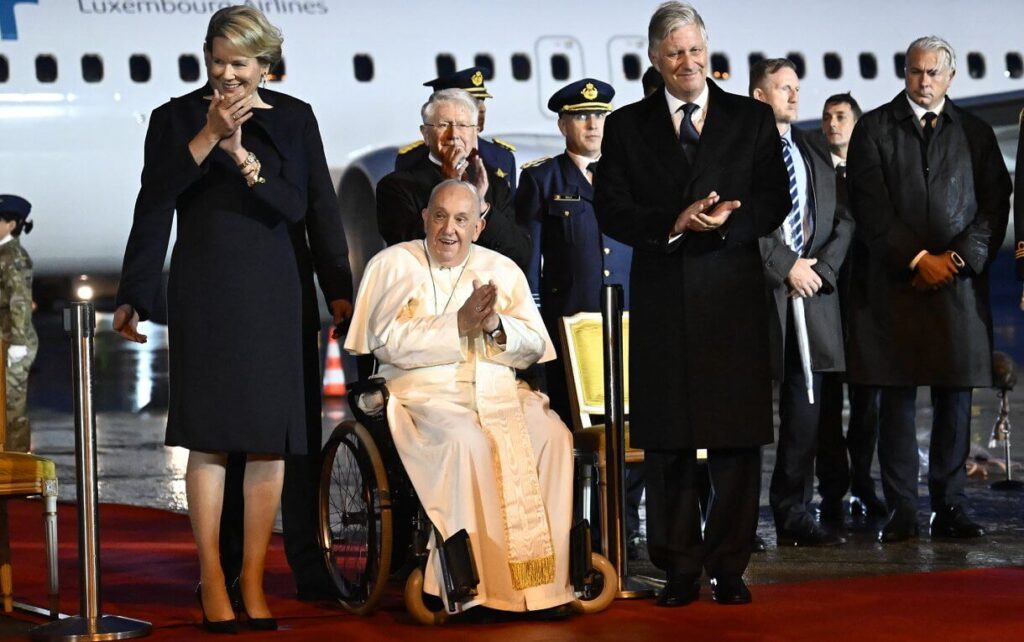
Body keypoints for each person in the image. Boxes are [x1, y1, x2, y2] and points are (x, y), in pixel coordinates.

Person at [113, 6, 352, 632]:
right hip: (208, 291)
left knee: (270, 440)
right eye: (215, 61)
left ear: (264, 66)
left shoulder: (295, 120)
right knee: (211, 436)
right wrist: (134, 292)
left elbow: (310, 207)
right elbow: (154, 203)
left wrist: (340, 292)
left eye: (238, 64)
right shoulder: (174, 119)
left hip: (277, 294)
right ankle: (213, 578)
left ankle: (252, 577)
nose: (225, 75)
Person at [594, 2, 790, 606]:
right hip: (665, 301)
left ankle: (730, 568)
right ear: (655, 58)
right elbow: (613, 208)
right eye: (675, 52)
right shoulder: (627, 127)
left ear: (709, 52)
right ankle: (679, 569)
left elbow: (774, 198)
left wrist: (727, 223)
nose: (688, 62)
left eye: (696, 50)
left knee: (735, 442)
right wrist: (672, 224)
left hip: (732, 298)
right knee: (669, 444)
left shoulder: (750, 119)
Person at [345, 179, 576, 616]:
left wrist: (494, 327)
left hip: (497, 387)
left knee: (553, 437)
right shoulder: (393, 264)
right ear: (425, 219)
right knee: (464, 441)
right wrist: (459, 324)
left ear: (479, 225)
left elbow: (532, 347)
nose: (448, 230)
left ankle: (544, 585)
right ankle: (469, 582)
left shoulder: (502, 269)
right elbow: (386, 343)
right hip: (422, 393)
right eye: (439, 216)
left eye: (461, 220)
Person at [846, 36, 1010, 543]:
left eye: (933, 73)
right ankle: (902, 510)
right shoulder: (873, 129)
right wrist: (918, 259)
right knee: (895, 405)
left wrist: (956, 260)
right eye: (916, 72)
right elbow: (870, 207)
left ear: (950, 77)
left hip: (955, 290)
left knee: (953, 403)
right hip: (894, 288)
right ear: (905, 73)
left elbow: (993, 206)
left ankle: (950, 505)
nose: (923, 81)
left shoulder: (976, 133)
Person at [516, 78, 646, 557]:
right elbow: (530, 264)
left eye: (600, 116)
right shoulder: (543, 179)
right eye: (582, 116)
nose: (593, 124)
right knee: (575, 432)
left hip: (628, 325)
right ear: (563, 123)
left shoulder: (630, 176)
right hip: (570, 330)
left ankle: (625, 522)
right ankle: (579, 525)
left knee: (633, 427)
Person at [750, 60, 852, 547]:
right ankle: (741, 519)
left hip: (814, 296)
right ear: (758, 96)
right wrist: (786, 264)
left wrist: (820, 270)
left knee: (805, 411)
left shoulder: (813, 149)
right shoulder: (743, 154)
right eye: (782, 88)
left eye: (796, 88)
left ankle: (793, 510)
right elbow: (746, 220)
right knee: (748, 417)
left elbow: (843, 219)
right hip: (762, 295)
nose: (793, 95)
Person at [813, 93, 888, 525]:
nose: (832, 124)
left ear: (857, 124)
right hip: (827, 301)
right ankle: (833, 489)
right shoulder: (817, 172)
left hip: (864, 304)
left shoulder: (870, 173)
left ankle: (863, 482)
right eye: (827, 118)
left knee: (867, 406)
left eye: (841, 117)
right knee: (825, 407)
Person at [377, 88, 531, 272]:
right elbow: (408, 249)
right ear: (425, 134)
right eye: (443, 125)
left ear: (475, 133)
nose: (454, 134)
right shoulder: (396, 186)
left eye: (463, 126)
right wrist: (449, 187)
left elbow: (520, 254)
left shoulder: (494, 185)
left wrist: (481, 205)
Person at [396, 67, 518, 192]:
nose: (482, 109)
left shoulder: (503, 157)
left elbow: (510, 210)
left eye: (482, 101)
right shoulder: (412, 161)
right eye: (471, 103)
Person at [0, 194, 37, 453]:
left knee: (12, 409)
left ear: (12, 224)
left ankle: (17, 468)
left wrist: (19, 343)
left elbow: (20, 301)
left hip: (13, 339)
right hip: (5, 336)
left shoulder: (13, 256)